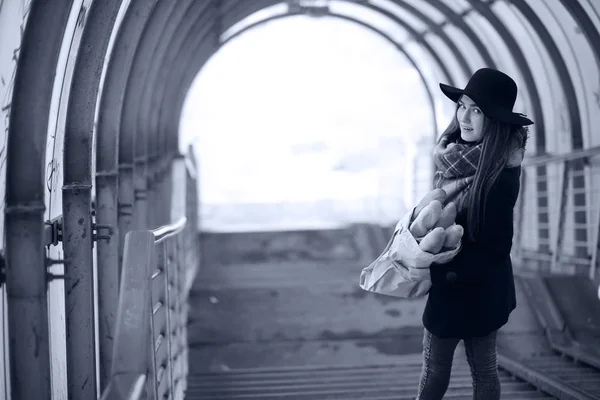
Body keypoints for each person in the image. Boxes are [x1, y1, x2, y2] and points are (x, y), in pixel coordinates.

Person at [413, 68, 533, 400]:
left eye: (476, 110)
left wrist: (440, 272)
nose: (465, 116)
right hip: (461, 286)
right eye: (462, 105)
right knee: (449, 368)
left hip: (473, 289)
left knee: (470, 370)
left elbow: (496, 247)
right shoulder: (455, 158)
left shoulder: (498, 175)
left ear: (492, 120)